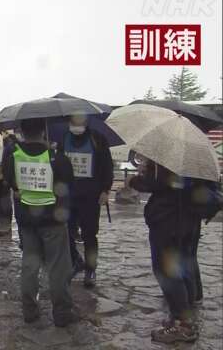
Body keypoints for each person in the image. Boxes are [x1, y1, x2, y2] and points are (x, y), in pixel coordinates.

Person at [3, 117, 77, 327]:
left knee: (29, 264)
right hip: (53, 220)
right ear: (44, 131)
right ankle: (62, 313)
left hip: (27, 219)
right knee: (57, 268)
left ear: (22, 132)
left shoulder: (14, 156)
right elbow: (69, 183)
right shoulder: (55, 157)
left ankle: (29, 310)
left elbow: (10, 182)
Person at [128, 158, 199, 344]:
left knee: (167, 271)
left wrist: (136, 178)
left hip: (168, 222)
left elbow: (153, 183)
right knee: (180, 270)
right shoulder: (192, 159)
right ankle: (181, 317)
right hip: (187, 221)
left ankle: (183, 326)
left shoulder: (167, 159)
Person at [60, 115, 113, 288]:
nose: (76, 126)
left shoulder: (97, 139)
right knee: (66, 233)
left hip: (91, 196)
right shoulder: (63, 138)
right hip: (68, 195)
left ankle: (91, 269)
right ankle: (76, 261)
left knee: (89, 234)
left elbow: (107, 166)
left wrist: (106, 190)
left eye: (79, 123)